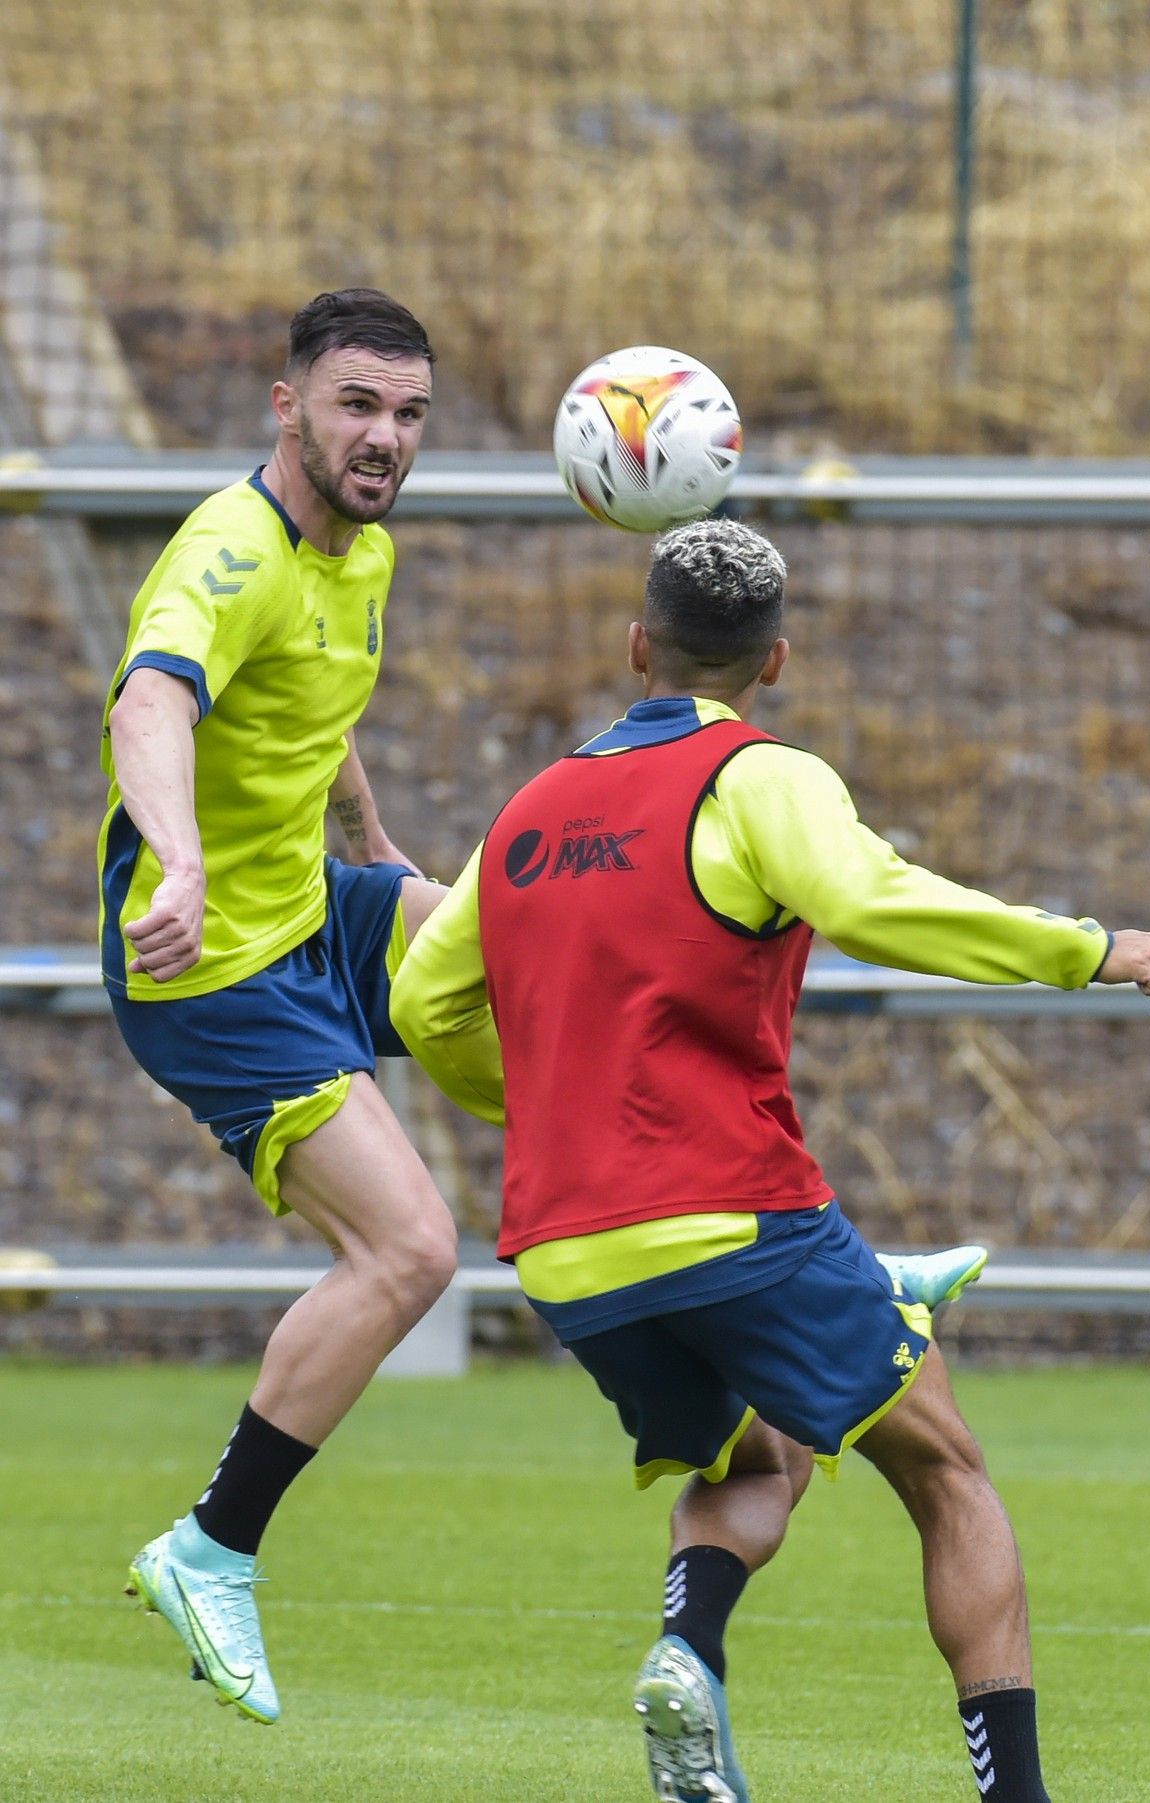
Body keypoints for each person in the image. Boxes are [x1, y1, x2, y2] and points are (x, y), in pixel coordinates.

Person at [389, 517, 1150, 1803]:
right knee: (946, 1471)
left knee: (759, 1458)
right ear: (776, 662)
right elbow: (871, 902)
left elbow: (429, 1008)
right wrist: (1086, 947)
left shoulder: (527, 812)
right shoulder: (763, 778)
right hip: (732, 1214)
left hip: (566, 1248)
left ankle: (685, 1652)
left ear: (637, 644)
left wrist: (546, 1112)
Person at [101, 289, 456, 1724]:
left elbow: (316, 712)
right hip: (213, 968)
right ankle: (213, 1543)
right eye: (359, 403)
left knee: (541, 948)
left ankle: (787, 1247)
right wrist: (177, 856)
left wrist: (376, 851)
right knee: (413, 1248)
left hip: (312, 906)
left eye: (411, 413)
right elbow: (152, 701)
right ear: (287, 403)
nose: (385, 436)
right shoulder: (231, 549)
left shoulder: (360, 549)